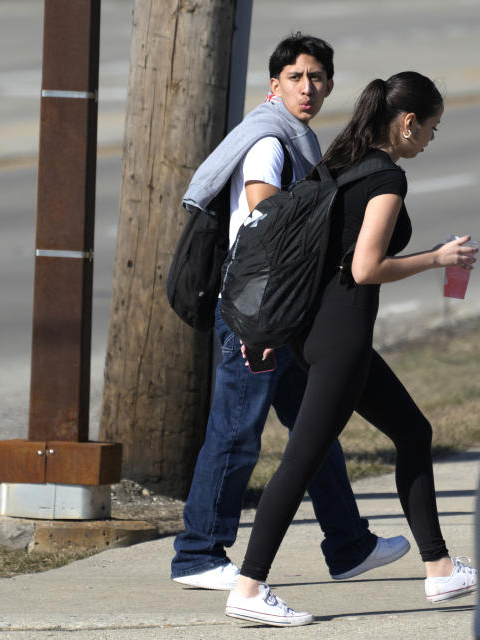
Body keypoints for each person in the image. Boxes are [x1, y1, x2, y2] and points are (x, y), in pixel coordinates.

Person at [224, 71, 479, 627]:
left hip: (311, 331)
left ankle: (439, 568)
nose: (431, 140)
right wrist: (438, 258)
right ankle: (248, 586)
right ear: (407, 122)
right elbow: (366, 267)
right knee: (301, 460)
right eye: (431, 128)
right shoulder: (386, 179)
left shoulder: (340, 162)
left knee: (413, 432)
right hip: (341, 338)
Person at [170, 33, 409, 591]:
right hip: (259, 315)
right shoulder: (269, 143)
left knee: (312, 430)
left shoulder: (295, 137)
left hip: (281, 312)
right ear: (275, 85)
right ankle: (198, 554)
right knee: (236, 430)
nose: (309, 87)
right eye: (297, 77)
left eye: (318, 77)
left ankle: (349, 545)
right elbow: (268, 221)